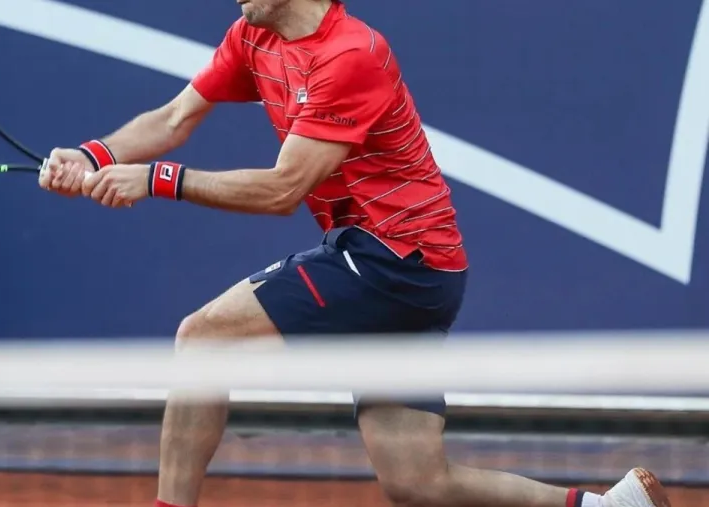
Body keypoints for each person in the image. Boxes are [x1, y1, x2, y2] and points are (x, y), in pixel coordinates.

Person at [38, 1, 670, 506]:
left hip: (393, 259)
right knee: (417, 482)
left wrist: (156, 180)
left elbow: (284, 189)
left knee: (202, 339)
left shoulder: (350, 56)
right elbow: (176, 116)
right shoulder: (252, 36)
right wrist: (97, 155)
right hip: (420, 268)